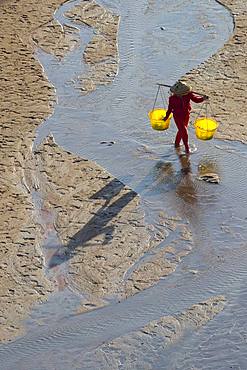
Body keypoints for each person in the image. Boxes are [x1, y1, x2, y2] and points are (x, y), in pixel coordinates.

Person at [163, 80, 208, 154]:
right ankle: (187, 149)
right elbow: (170, 109)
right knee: (184, 131)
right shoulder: (172, 98)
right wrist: (166, 117)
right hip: (177, 116)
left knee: (181, 131)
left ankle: (176, 144)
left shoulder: (188, 94)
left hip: (186, 115)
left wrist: (203, 98)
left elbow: (196, 100)